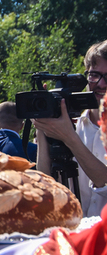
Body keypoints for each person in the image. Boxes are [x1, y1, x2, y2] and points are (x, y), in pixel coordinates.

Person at [34, 39, 107, 217]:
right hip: (77, 236)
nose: (101, 84)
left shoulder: (70, 131)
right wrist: (43, 126)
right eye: (95, 75)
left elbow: (104, 183)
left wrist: (70, 138)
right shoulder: (74, 125)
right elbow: (46, 185)